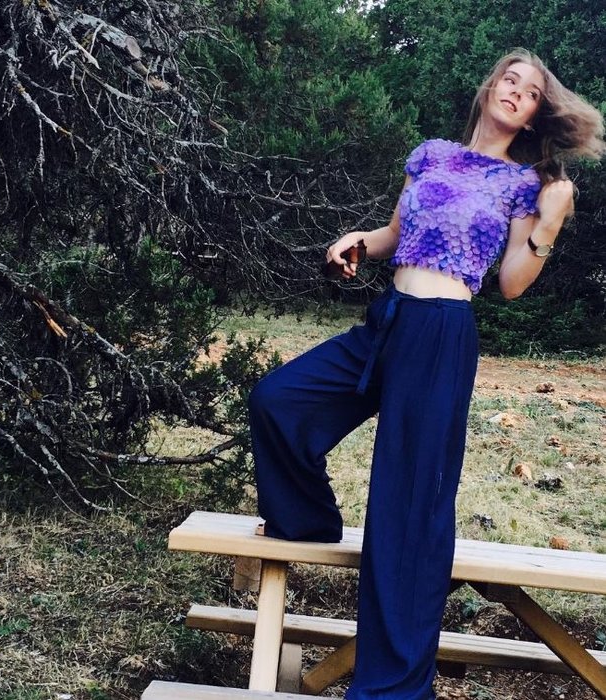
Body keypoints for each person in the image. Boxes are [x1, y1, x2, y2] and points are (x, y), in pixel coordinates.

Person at [248, 49, 605, 700]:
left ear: (533, 116)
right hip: (388, 321)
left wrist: (548, 225)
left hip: (441, 333)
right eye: (509, 79)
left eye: (530, 91)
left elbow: (511, 282)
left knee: (407, 510)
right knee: (278, 400)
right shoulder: (431, 154)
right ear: (489, 87)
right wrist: (357, 241)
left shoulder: (521, 184)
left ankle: (392, 689)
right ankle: (307, 522)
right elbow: (395, 233)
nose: (515, 91)